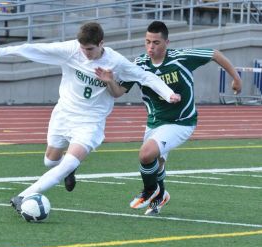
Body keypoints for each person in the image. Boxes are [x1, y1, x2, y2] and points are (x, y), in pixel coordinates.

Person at [0, 22, 181, 213]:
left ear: (101, 44)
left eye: (89, 49)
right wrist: (4, 51)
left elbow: (145, 76)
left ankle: (23, 196)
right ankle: (68, 170)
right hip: (64, 114)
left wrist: (168, 93)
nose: (85, 53)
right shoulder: (71, 50)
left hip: (90, 122)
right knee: (50, 161)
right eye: (82, 48)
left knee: (69, 162)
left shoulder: (115, 61)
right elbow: (38, 49)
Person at [96, 21, 242, 215]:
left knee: (146, 154)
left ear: (166, 42)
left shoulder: (181, 58)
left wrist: (236, 78)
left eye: (156, 42)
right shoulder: (139, 64)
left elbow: (214, 54)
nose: (151, 47)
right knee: (157, 164)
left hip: (181, 122)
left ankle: (150, 191)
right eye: (147, 42)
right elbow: (118, 92)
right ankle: (160, 196)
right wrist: (109, 82)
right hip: (155, 122)